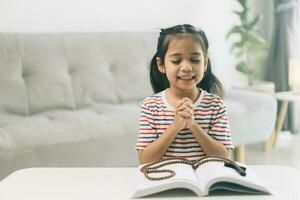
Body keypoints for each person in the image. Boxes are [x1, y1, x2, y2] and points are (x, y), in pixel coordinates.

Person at [136, 24, 234, 164]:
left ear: (205, 62)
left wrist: (193, 126)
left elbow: (224, 157)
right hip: (166, 180)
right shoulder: (150, 106)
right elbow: (145, 160)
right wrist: (175, 126)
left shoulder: (216, 106)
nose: (187, 68)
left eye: (195, 60)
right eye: (176, 61)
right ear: (161, 65)